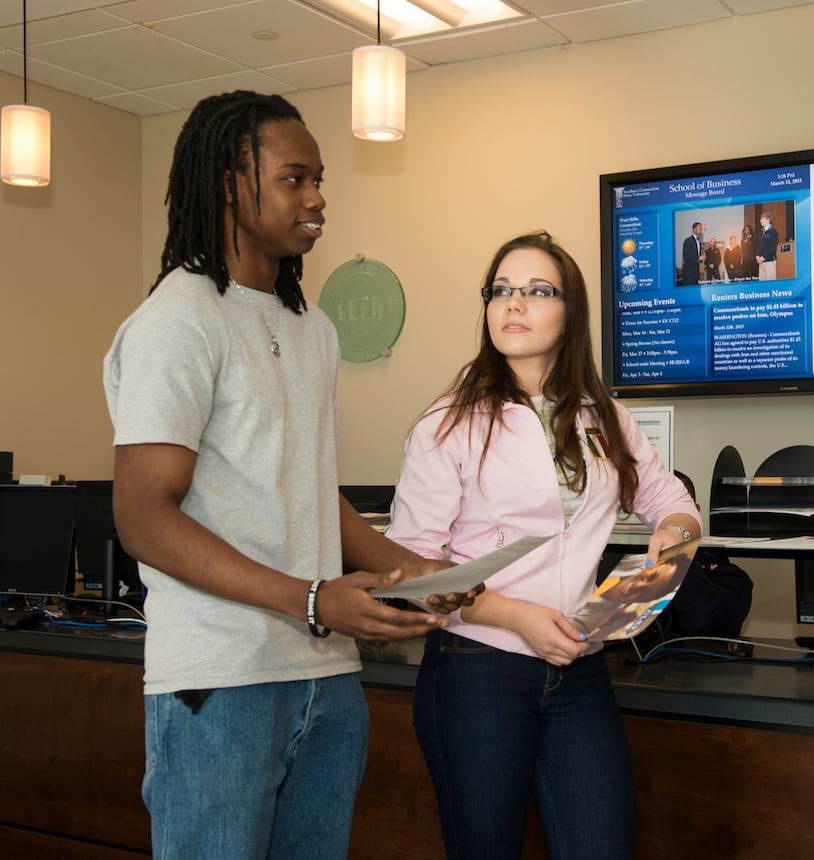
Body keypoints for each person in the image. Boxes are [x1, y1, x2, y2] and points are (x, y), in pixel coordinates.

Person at [103, 90, 479, 858]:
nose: (317, 200)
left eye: (320, 181)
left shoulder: (314, 328)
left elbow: (310, 489)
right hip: (221, 682)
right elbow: (142, 515)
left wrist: (412, 569)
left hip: (327, 679)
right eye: (294, 179)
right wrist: (310, 600)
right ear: (228, 185)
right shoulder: (178, 322)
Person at [385, 230, 701, 860]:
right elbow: (413, 571)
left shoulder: (603, 415)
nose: (514, 304)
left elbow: (675, 504)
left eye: (536, 290)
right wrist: (516, 617)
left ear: (570, 311)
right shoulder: (447, 423)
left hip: (578, 672)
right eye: (500, 291)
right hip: (476, 672)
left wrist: (673, 539)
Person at [660, 470, 753, 638]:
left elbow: (704, 623)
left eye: (674, 510)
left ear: (695, 512)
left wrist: (677, 550)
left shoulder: (731, 578)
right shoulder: (618, 560)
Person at [755, 211, 779, 280]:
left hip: (769, 261)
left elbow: (772, 247)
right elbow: (758, 246)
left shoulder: (773, 231)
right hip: (761, 261)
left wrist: (763, 257)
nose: (760, 221)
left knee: (770, 283)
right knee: (762, 283)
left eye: (762, 219)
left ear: (768, 220)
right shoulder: (761, 232)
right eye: (760, 219)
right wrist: (757, 256)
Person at [681, 221, 705, 285]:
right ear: (694, 230)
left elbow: (696, 257)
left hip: (696, 273)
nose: (701, 230)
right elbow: (686, 255)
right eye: (699, 228)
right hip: (689, 273)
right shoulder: (688, 240)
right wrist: (698, 257)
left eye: (701, 229)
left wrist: (702, 259)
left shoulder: (698, 242)